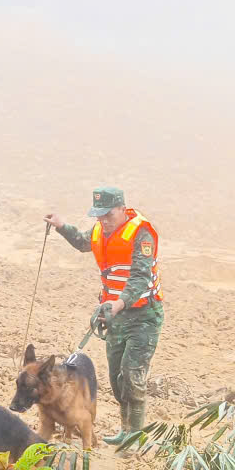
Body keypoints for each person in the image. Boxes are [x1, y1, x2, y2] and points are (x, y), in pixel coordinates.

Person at [44, 186, 164, 439]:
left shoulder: (141, 233)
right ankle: (125, 429)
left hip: (143, 316)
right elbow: (81, 242)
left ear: (122, 209)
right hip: (114, 316)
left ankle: (136, 435)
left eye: (108, 215)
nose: (104, 220)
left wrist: (116, 305)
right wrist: (60, 225)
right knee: (116, 377)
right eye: (99, 215)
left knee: (132, 375)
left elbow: (140, 279)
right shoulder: (100, 230)